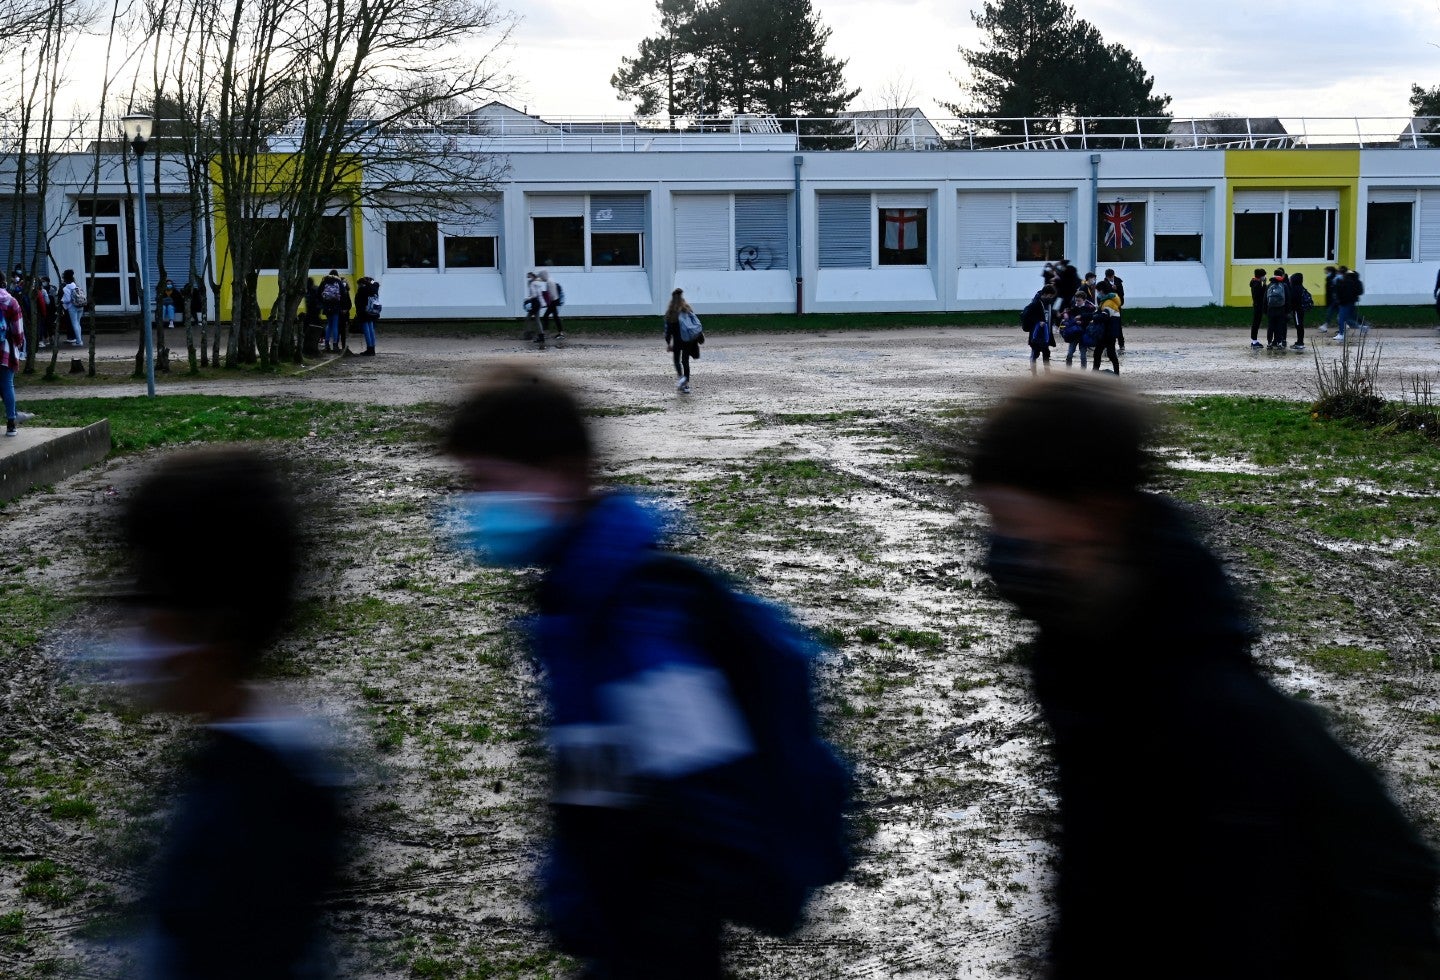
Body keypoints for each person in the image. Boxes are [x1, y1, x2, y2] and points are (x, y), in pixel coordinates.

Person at [968, 376, 1440, 980]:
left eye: (1015, 525)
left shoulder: (1200, 709)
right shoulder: (1080, 651)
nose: (1000, 551)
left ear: (1096, 511)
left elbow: (1232, 929)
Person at [442, 365, 847, 980]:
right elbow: (596, 774)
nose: (473, 507)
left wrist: (657, 927)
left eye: (486, 484)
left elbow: (701, 790)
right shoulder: (577, 597)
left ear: (563, 474)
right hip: (619, 917)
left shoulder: (637, 614)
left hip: (655, 935)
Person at [115, 449, 346, 979]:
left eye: (146, 595)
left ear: (211, 629)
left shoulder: (239, 821)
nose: (130, 622)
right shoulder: (291, 755)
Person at [663, 287, 702, 393]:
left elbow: (668, 331)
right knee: (685, 361)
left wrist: (668, 342)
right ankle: (686, 383)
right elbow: (694, 324)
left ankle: (681, 379)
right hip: (688, 341)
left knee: (676, 361)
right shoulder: (687, 310)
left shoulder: (670, 313)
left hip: (677, 342)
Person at [1, 276, 25, 436]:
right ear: (3, 283)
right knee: (7, 384)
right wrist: (19, 342)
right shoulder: (10, 301)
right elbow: (17, 329)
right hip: (4, 349)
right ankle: (11, 423)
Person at [1022, 286, 1055, 374]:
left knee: (1046, 354)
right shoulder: (1036, 303)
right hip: (1036, 334)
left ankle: (1047, 374)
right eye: (1050, 296)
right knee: (1035, 354)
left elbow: (1050, 316)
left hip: (1046, 334)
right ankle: (1034, 375)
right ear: (1045, 294)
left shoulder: (1049, 304)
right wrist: (1037, 321)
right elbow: (1025, 314)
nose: (1051, 298)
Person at [318, 270, 349, 353]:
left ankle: (327, 345)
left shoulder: (324, 281)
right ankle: (335, 345)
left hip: (327, 306)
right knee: (335, 325)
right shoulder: (339, 282)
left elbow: (319, 293)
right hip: (336, 306)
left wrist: (323, 302)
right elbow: (343, 294)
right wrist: (343, 307)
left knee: (329, 324)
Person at [1333, 266, 1362, 342]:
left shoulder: (1346, 281)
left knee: (1341, 318)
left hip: (1345, 302)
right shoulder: (1352, 281)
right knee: (1347, 318)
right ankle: (1361, 327)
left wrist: (1340, 300)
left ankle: (1341, 334)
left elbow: (1343, 293)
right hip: (1349, 302)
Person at [354, 275, 380, 357]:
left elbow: (358, 302)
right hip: (372, 312)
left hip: (364, 312)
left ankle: (369, 348)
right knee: (371, 330)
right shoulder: (374, 288)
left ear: (361, 284)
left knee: (366, 331)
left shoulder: (362, 290)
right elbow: (375, 283)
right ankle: (373, 348)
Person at [1264, 270, 1290, 349]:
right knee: (1279, 325)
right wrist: (1287, 310)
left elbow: (1265, 298)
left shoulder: (1269, 285)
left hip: (1270, 309)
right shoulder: (1284, 285)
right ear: (1281, 275)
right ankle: (1279, 342)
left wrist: (1265, 309)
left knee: (1270, 325)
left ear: (1274, 275)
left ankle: (1269, 342)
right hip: (1281, 309)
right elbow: (1288, 298)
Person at [1102, 268, 1126, 351]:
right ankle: (1108, 345)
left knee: (1118, 326)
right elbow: (1104, 294)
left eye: (1112, 277)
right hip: (1108, 307)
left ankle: (1121, 344)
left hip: (1117, 306)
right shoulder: (1104, 283)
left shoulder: (1118, 282)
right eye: (1109, 277)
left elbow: (1122, 294)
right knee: (1108, 326)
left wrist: (1117, 289)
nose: (1111, 278)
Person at [537, 269, 563, 344]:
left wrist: (548, 302)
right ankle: (560, 333)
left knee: (546, 316)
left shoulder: (549, 282)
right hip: (554, 301)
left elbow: (551, 294)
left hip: (553, 301)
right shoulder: (550, 280)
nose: (541, 278)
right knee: (555, 317)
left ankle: (546, 332)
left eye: (542, 276)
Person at [61, 268, 84, 347]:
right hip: (80, 305)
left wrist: (62, 301)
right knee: (78, 323)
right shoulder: (76, 285)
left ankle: (79, 341)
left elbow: (67, 299)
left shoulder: (66, 287)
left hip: (72, 307)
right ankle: (79, 340)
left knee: (74, 324)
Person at [1287, 270, 1309, 350]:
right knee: (1300, 325)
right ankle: (1299, 341)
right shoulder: (1301, 287)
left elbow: (1293, 300)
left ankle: (1300, 343)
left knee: (1299, 326)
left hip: (1297, 310)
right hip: (1301, 310)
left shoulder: (1295, 289)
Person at [1248, 267, 1267, 348]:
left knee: (1256, 323)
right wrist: (1265, 284)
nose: (1264, 277)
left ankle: (1254, 340)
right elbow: (1260, 295)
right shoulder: (1257, 284)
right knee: (1256, 323)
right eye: (1264, 276)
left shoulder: (1255, 282)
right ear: (1261, 276)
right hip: (1258, 305)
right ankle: (1254, 341)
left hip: (1257, 305)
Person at [523, 271, 543, 336]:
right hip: (537, 303)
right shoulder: (537, 283)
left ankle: (532, 333)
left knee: (533, 319)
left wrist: (527, 298)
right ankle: (536, 333)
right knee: (534, 319)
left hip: (535, 303)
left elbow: (534, 295)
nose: (528, 279)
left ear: (532, 276)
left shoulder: (532, 284)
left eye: (528, 277)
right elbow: (538, 294)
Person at [1323, 265, 1341, 334]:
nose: (1325, 272)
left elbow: (1332, 290)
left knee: (1331, 313)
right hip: (1334, 299)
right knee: (1338, 314)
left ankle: (1326, 325)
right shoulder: (1330, 278)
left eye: (1326, 270)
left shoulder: (1332, 278)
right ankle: (1326, 325)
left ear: (1330, 271)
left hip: (1334, 300)